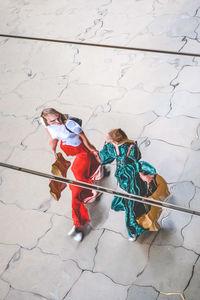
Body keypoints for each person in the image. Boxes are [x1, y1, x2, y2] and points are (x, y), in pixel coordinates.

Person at [41, 108, 102, 242]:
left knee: (77, 188)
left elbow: (84, 140)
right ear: (46, 120)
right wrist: (53, 151)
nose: (57, 121)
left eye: (58, 117)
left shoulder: (70, 124)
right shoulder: (47, 125)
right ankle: (95, 177)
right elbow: (53, 137)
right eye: (53, 120)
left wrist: (93, 150)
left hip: (81, 153)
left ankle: (78, 225)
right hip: (69, 151)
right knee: (87, 172)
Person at [99, 128, 148, 241]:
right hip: (121, 176)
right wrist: (105, 145)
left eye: (108, 138)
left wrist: (141, 174)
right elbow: (105, 157)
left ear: (115, 139)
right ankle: (139, 210)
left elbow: (136, 162)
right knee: (130, 200)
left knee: (130, 202)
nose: (106, 138)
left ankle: (132, 230)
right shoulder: (110, 146)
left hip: (131, 176)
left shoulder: (130, 147)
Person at [136, 161, 170, 231]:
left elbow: (162, 191)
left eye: (141, 176)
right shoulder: (146, 181)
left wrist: (150, 198)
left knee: (150, 218)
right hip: (151, 202)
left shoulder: (158, 179)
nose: (142, 178)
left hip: (157, 202)